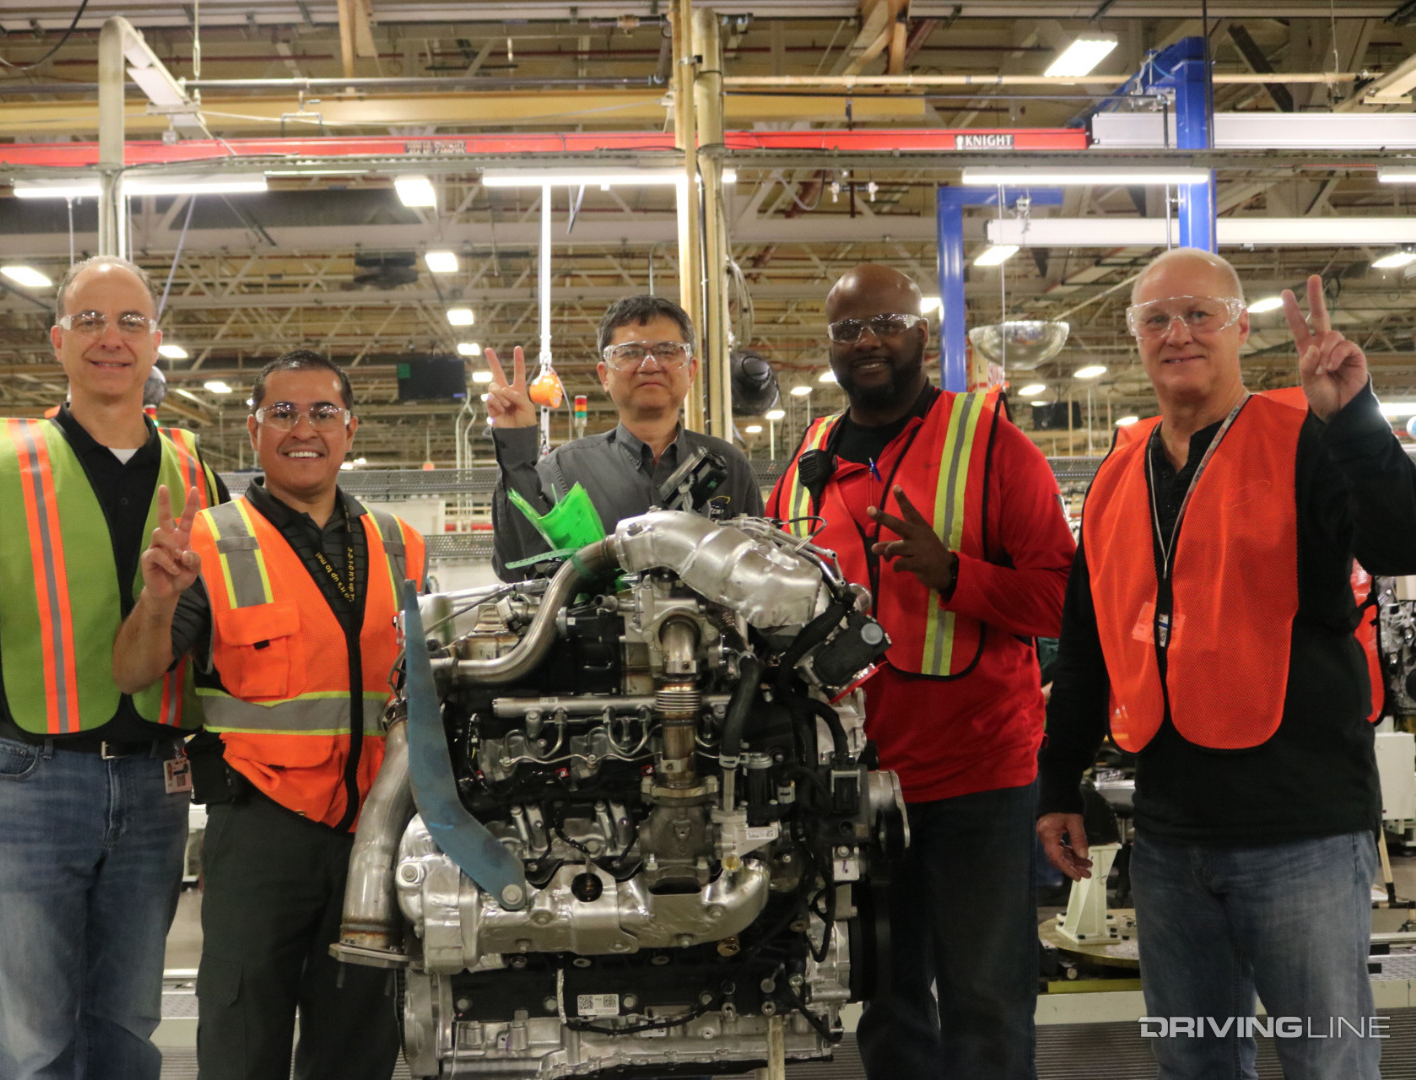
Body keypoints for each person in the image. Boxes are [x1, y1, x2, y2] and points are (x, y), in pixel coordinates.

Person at [1038, 250, 1416, 1080]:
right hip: (1171, 834)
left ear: (1242, 327)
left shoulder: (1308, 440)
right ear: (1136, 337)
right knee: (1196, 1060)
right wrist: (1059, 784)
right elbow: (1091, 640)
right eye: (1156, 319)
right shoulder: (1115, 477)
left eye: (1200, 314)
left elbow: (1400, 541)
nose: (1178, 334)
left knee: (1325, 1061)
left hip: (1303, 831)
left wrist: (1354, 418)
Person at [0, 254, 225, 1080]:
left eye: (129, 323)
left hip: (155, 782)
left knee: (127, 1031)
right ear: (57, 341)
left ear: (157, 343)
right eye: (90, 320)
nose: (110, 339)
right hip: (26, 782)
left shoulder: (200, 476)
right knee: (31, 1039)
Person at [767, 264, 1074, 1080]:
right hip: (857, 784)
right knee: (889, 998)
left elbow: (1061, 601)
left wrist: (956, 576)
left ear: (921, 333)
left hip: (979, 775)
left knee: (985, 993)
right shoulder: (805, 463)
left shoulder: (991, 445)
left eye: (886, 323)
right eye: (847, 330)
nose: (867, 341)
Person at [112, 350, 426, 1080]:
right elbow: (132, 672)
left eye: (322, 412)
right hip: (260, 832)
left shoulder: (398, 543)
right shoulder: (208, 541)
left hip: (375, 833)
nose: (302, 429)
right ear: (254, 430)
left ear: (350, 429)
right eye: (282, 413)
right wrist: (158, 601)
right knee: (242, 1036)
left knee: (359, 1042)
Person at [487, 295, 764, 580]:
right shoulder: (563, 471)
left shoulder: (729, 465)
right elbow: (517, 567)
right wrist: (516, 448)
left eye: (668, 351)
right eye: (630, 352)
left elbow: (758, 571)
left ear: (691, 371)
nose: (649, 364)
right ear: (604, 375)